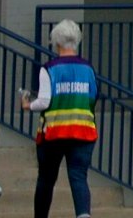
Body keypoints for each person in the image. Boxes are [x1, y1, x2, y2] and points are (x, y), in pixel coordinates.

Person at [24, 20, 98, 218]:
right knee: (79, 177)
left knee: (46, 179)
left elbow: (44, 102)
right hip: (83, 132)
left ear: (56, 43)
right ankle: (83, 215)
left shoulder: (49, 69)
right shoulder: (88, 69)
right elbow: (92, 98)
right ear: (77, 41)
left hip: (54, 134)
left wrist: (28, 105)